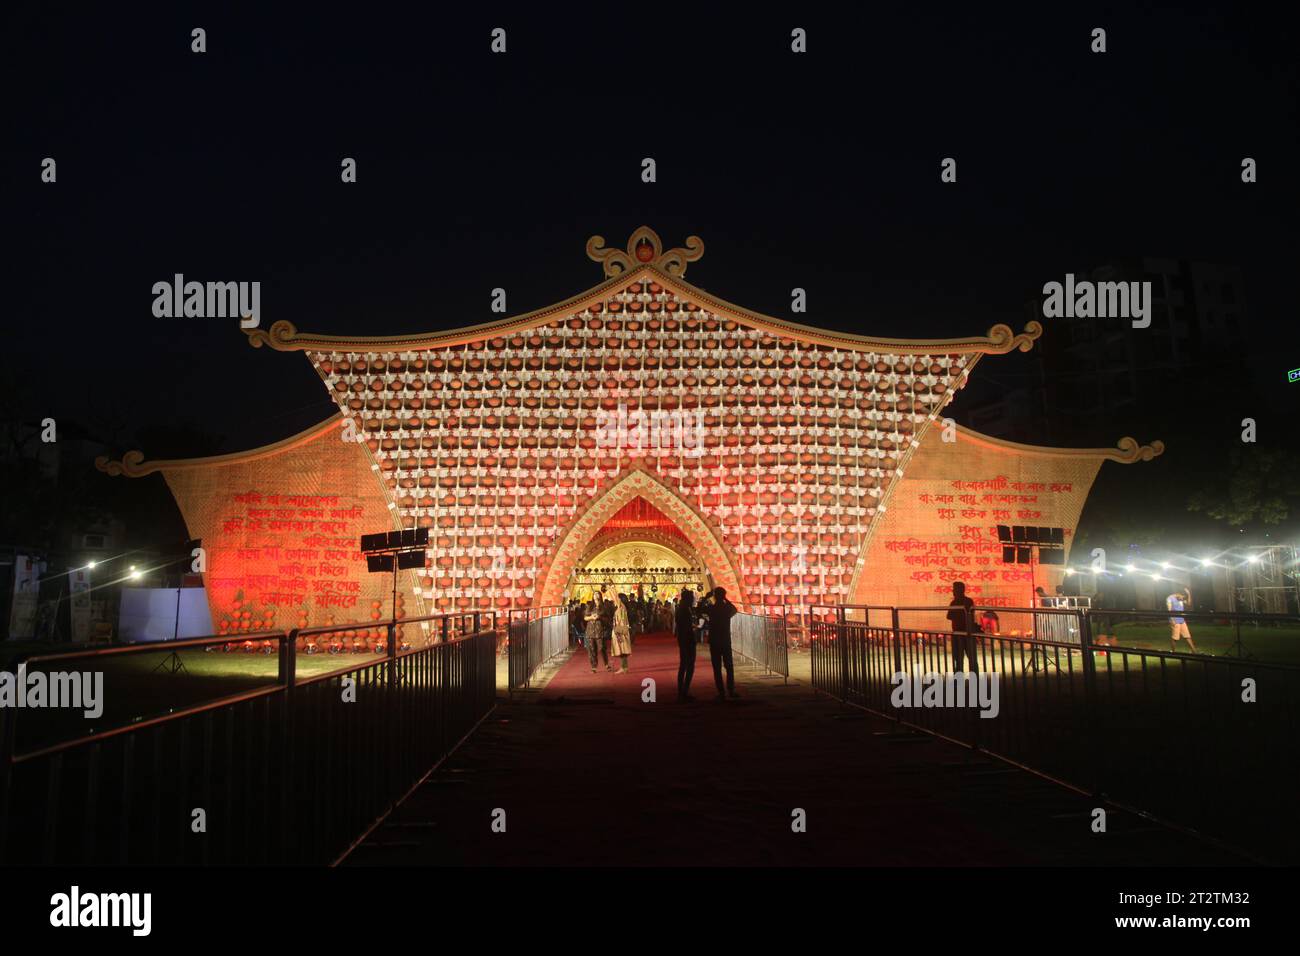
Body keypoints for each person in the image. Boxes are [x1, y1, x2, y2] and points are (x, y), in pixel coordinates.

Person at [701, 587, 739, 700]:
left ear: (714, 596)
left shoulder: (712, 608)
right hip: (725, 640)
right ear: (723, 595)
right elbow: (735, 609)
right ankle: (731, 690)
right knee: (729, 666)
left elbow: (699, 610)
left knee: (717, 667)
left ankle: (721, 692)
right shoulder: (727, 608)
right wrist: (725, 599)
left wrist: (705, 598)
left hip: (714, 640)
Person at [946, 581, 980, 673]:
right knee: (971, 659)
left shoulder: (954, 602)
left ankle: (960, 679)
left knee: (960, 660)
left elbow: (949, 616)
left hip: (960, 633)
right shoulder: (968, 601)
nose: (953, 591)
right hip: (966, 633)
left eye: (955, 589)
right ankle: (974, 679)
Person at [674, 588, 698, 701]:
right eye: (692, 598)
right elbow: (685, 627)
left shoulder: (682, 609)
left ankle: (682, 691)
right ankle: (683, 691)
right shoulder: (684, 610)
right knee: (688, 665)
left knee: (684, 665)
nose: (693, 599)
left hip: (684, 639)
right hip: (686, 640)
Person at [1166, 587, 1198, 654]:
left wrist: (1189, 594)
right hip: (1175, 619)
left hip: (1182, 619)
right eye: (1182, 597)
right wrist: (1172, 619)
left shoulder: (1181, 598)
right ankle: (1172, 652)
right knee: (1175, 638)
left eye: (1183, 597)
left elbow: (1189, 604)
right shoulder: (1170, 598)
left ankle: (1194, 651)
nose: (1182, 599)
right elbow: (1169, 610)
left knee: (1187, 636)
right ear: (1178, 594)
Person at [610, 593, 633, 673]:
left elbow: (622, 621)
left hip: (620, 631)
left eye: (617, 599)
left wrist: (612, 588)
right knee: (622, 649)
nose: (614, 600)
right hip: (620, 630)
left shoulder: (621, 608)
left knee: (622, 649)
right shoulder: (621, 608)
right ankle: (624, 667)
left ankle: (624, 667)